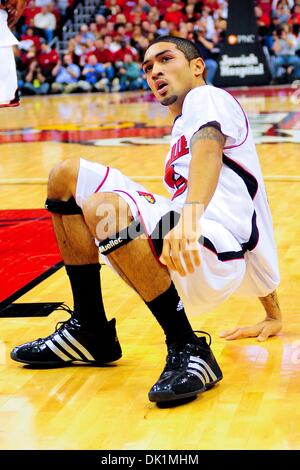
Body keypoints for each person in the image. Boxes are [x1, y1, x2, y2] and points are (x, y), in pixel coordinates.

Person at [11, 36, 282, 405]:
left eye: (165, 59)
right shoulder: (183, 125)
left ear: (197, 66)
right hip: (195, 238)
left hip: (211, 242)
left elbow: (208, 150)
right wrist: (272, 313)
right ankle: (90, 329)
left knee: (105, 207)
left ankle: (189, 348)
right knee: (66, 176)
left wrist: (188, 218)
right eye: (147, 67)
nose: (154, 70)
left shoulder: (208, 98)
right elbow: (252, 204)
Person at [0, 0, 28, 106]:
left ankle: (11, 96)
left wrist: (9, 27)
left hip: (3, 25)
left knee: (7, 64)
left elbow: (16, 14)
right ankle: (9, 97)